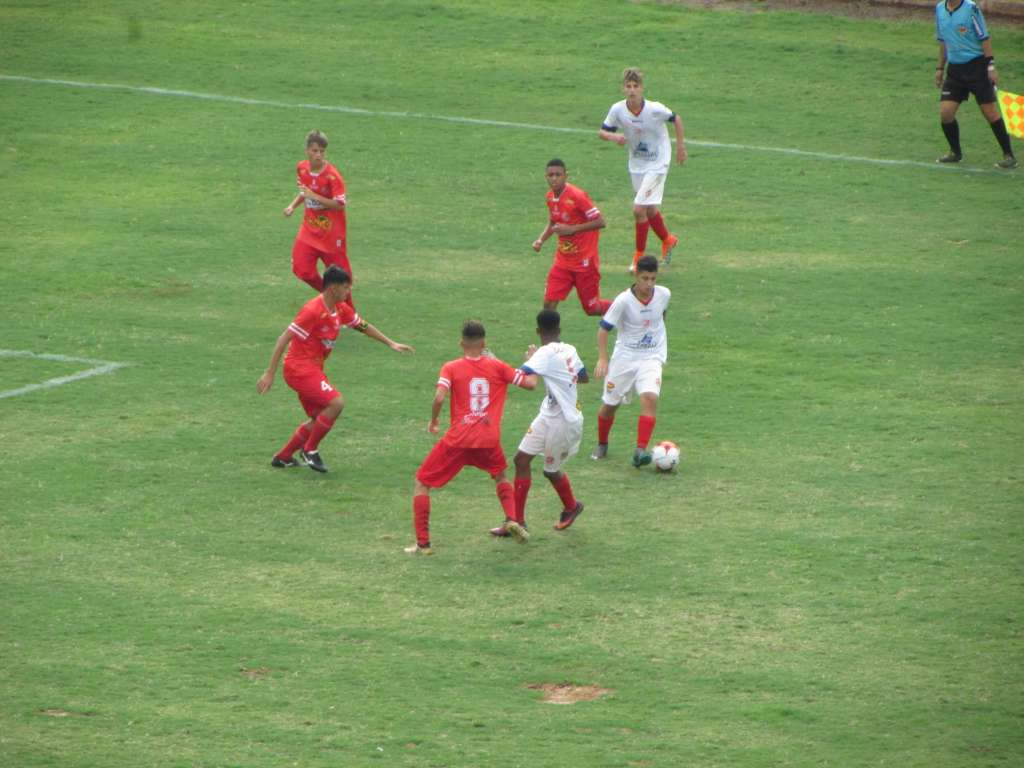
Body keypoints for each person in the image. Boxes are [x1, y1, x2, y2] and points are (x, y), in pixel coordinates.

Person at [257, 266, 413, 473]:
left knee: (320, 417)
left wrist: (390, 343)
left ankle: (283, 457)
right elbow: (283, 338)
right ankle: (310, 449)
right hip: (299, 368)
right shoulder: (313, 310)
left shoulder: (340, 308)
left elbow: (362, 325)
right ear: (332, 288)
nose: (348, 292)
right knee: (336, 403)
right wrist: (270, 372)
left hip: (312, 368)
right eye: (346, 288)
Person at [406, 321, 538, 555]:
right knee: (500, 475)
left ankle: (423, 544)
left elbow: (438, 398)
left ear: (461, 343)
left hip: (459, 439)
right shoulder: (497, 366)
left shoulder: (451, 367)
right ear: (484, 343)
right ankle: (511, 518)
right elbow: (530, 384)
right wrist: (532, 362)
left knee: (422, 483)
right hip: (488, 438)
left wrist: (434, 421)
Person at [490, 310, 589, 539]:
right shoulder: (569, 349)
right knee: (521, 460)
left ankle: (572, 506)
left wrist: (504, 362)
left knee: (550, 471)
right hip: (548, 414)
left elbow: (521, 377)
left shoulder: (544, 353)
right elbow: (583, 377)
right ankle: (517, 521)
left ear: (538, 331)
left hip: (564, 420)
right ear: (559, 330)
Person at [599, 68, 687, 273]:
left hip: (658, 163)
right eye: (628, 87)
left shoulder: (655, 109)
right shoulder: (618, 110)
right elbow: (602, 131)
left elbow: (676, 119)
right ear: (623, 89)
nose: (632, 91)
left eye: (635, 86)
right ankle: (668, 240)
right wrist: (614, 137)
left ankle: (638, 258)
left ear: (642, 88)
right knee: (649, 209)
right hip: (637, 164)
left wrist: (681, 148)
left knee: (638, 209)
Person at [590, 255, 671, 468]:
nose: (649, 284)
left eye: (653, 278)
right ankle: (602, 444)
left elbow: (661, 316)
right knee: (610, 405)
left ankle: (640, 450)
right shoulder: (623, 301)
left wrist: (658, 338)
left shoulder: (664, 294)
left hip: (651, 357)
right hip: (625, 359)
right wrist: (602, 358)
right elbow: (603, 330)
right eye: (645, 278)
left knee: (650, 398)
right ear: (636, 275)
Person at [934, 0, 1017, 169]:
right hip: (955, 70)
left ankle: (1009, 155)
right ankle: (955, 153)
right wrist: (940, 68)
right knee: (946, 113)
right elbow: (943, 41)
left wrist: (991, 66)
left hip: (977, 67)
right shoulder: (939, 9)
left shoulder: (971, 9)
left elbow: (984, 38)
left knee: (990, 113)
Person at [532, 159, 612, 317]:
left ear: (565, 176)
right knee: (548, 305)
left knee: (592, 308)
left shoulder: (577, 196)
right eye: (550, 175)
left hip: (584, 262)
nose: (554, 178)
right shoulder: (550, 197)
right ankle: (551, 341)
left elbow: (600, 221)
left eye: (558, 174)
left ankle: (630, 307)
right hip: (563, 262)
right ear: (545, 177)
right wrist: (541, 239)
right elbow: (553, 222)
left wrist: (572, 229)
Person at [283, 130, 356, 296]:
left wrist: (314, 196)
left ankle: (349, 315)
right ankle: (331, 296)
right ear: (307, 150)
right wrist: (292, 206)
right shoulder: (301, 168)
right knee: (302, 269)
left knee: (343, 279)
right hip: (310, 228)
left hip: (331, 233)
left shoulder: (333, 176)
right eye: (315, 151)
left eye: (322, 151)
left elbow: (339, 205)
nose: (318, 155)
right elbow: (304, 192)